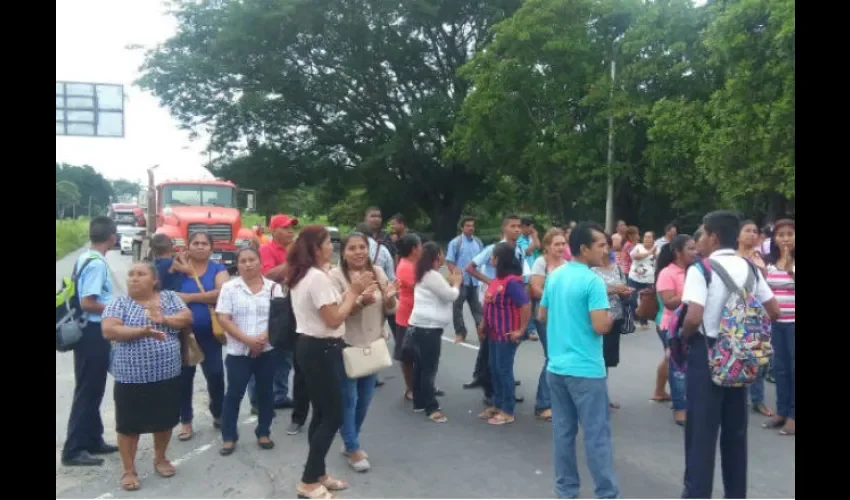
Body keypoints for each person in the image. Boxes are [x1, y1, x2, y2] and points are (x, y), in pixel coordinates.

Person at [679, 210, 780, 498]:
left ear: (712, 235)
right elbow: (774, 310)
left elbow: (693, 317)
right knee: (735, 434)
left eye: (703, 234)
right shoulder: (751, 268)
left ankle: (697, 493)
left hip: (707, 353)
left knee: (701, 434)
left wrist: (684, 338)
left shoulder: (702, 270)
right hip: (741, 359)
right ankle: (735, 494)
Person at [284, 225, 375, 499]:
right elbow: (334, 319)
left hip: (315, 348)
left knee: (322, 413)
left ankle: (318, 472)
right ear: (315, 248)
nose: (331, 247)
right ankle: (308, 481)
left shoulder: (308, 275)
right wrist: (353, 292)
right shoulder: (317, 278)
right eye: (327, 243)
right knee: (333, 414)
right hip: (321, 348)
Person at [539, 222, 619, 499]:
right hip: (586, 369)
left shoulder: (556, 275)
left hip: (557, 367)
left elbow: (542, 315)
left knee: (563, 433)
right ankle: (606, 494)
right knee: (597, 436)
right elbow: (600, 326)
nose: (605, 249)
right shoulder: (593, 281)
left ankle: (566, 492)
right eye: (600, 245)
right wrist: (609, 317)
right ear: (584, 249)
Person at [101, 262, 193, 490]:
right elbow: (109, 330)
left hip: (167, 374)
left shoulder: (169, 298)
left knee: (164, 421)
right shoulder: (119, 302)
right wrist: (140, 331)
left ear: (154, 280)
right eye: (130, 274)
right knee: (128, 426)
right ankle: (128, 470)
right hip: (131, 377)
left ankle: (160, 458)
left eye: (140, 274)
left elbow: (187, 317)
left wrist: (164, 320)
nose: (133, 278)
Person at [329, 232, 398, 471]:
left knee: (365, 399)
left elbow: (390, 309)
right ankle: (353, 448)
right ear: (344, 253)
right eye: (353, 248)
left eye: (362, 247)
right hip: (347, 345)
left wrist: (389, 299)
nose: (358, 252)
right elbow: (334, 313)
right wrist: (358, 301)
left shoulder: (378, 272)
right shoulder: (335, 277)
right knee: (349, 400)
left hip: (374, 345)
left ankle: (350, 441)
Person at [61, 216, 119, 466]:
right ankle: (73, 449)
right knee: (88, 391)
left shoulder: (86, 257)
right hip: (92, 333)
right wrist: (116, 309)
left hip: (87, 332)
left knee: (93, 388)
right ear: (112, 237)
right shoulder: (97, 264)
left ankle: (93, 438)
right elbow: (88, 302)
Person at [216, 248, 283, 456]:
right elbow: (223, 318)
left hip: (267, 350)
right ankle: (229, 436)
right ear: (238, 264)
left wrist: (262, 339)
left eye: (251, 260)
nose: (247, 264)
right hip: (238, 352)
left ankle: (264, 432)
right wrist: (248, 341)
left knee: (266, 392)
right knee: (234, 394)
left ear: (260, 262)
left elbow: (279, 318)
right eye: (243, 261)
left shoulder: (274, 288)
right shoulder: (229, 288)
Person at [463, 214, 531, 403]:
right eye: (513, 226)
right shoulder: (494, 249)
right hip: (493, 299)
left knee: (505, 347)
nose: (517, 229)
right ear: (504, 229)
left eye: (519, 226)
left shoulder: (519, 249)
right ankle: (491, 390)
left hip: (510, 301)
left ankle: (502, 389)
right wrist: (491, 281)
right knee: (491, 347)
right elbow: (470, 267)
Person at [172, 231, 229, 441]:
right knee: (184, 379)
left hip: (210, 335)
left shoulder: (218, 268)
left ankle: (219, 413)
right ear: (188, 246)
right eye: (195, 243)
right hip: (183, 334)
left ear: (211, 248)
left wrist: (189, 297)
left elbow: (222, 292)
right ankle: (186, 421)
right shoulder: (177, 268)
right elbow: (165, 291)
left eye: (204, 243)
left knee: (215, 375)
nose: (200, 246)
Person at [250, 214, 299, 417]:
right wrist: (294, 261)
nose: (290, 231)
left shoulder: (295, 249)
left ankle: (279, 395)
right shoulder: (265, 250)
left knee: (286, 353)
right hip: (271, 307)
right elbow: (268, 276)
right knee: (263, 352)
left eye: (292, 227)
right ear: (273, 231)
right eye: (285, 227)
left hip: (293, 306)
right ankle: (256, 400)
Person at [408, 242, 462, 423]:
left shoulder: (424, 274)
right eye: (442, 254)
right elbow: (450, 296)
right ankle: (431, 407)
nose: (444, 258)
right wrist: (456, 284)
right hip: (428, 329)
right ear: (436, 256)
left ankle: (419, 402)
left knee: (420, 367)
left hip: (420, 326)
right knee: (428, 369)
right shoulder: (432, 275)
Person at [478, 243, 530, 425]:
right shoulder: (496, 280)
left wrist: (521, 330)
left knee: (503, 370)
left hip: (507, 334)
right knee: (494, 368)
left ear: (501, 259)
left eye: (493, 256)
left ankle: (508, 410)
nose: (491, 259)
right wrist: (484, 323)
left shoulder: (512, 282)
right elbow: (489, 304)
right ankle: (497, 405)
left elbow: (525, 305)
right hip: (493, 333)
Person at [654, 234, 696, 425]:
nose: (695, 252)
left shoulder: (696, 270)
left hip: (692, 323)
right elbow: (669, 303)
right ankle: (680, 408)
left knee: (689, 365)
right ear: (678, 252)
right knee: (677, 367)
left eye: (695, 248)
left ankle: (689, 401)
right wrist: (690, 291)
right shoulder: (667, 273)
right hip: (671, 327)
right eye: (690, 249)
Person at [528, 228, 567, 421]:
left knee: (559, 356)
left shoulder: (567, 265)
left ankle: (557, 401)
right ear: (547, 246)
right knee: (552, 356)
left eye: (563, 244)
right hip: (545, 315)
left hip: (563, 316)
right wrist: (555, 298)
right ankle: (543, 404)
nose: (561, 247)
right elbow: (535, 289)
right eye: (557, 244)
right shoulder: (541, 262)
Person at [761, 218, 795, 436]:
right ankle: (781, 412)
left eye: (789, 234)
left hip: (793, 324)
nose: (785, 239)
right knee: (780, 370)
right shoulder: (769, 263)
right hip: (775, 324)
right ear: (774, 238)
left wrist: (788, 262)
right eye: (781, 235)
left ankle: (792, 416)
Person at [592, 234, 632, 410]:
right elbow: (593, 292)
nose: (605, 250)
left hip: (615, 316)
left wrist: (625, 291)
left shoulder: (617, 268)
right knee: (596, 358)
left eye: (607, 246)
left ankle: (602, 395)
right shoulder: (591, 270)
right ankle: (596, 397)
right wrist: (614, 289)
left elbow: (623, 286)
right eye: (601, 246)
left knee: (607, 360)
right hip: (598, 317)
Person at [445, 216, 485, 344]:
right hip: (461, 282)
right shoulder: (456, 243)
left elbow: (482, 259)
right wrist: (456, 277)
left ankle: (482, 332)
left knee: (477, 309)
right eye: (468, 225)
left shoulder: (478, 242)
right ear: (462, 227)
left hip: (475, 282)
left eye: (472, 225)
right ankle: (460, 333)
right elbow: (450, 261)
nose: (471, 228)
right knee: (457, 309)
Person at [394, 233, 423, 401]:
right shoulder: (406, 266)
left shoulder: (414, 264)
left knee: (420, 354)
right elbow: (417, 288)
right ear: (414, 249)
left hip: (417, 314)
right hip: (407, 315)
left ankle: (422, 385)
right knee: (407, 355)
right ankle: (410, 388)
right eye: (420, 246)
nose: (422, 250)